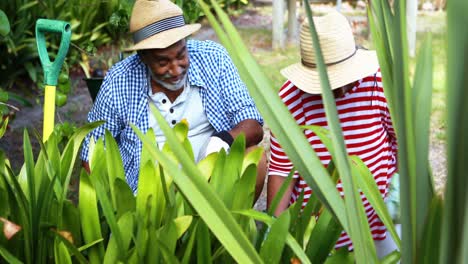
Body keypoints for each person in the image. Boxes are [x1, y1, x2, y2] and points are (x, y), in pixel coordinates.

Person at [80, 0, 266, 199]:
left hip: (211, 180)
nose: (177, 69)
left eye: (180, 55)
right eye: (163, 62)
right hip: (148, 194)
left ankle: (230, 226)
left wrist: (222, 142)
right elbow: (91, 149)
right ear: (142, 57)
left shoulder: (214, 59)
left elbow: (253, 125)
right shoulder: (120, 80)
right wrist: (105, 206)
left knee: (255, 158)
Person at [266, 11, 398, 256]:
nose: (335, 90)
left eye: (340, 80)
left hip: (378, 221)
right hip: (318, 233)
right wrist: (274, 229)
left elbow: (401, 141)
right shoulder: (291, 98)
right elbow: (282, 172)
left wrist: (400, 186)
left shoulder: (378, 82)